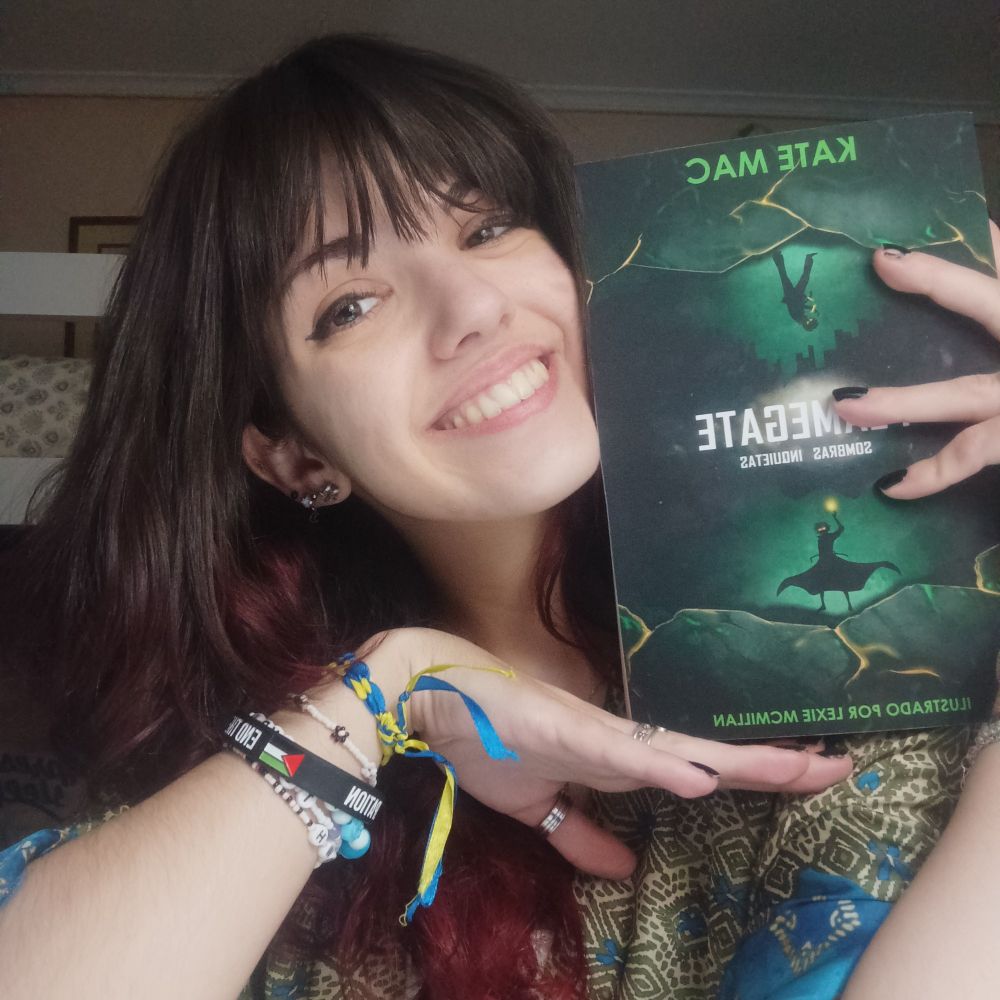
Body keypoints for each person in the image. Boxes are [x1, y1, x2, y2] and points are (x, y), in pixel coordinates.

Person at [0, 34, 992, 1000]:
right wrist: (395, 686)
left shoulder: (870, 637)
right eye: (349, 304)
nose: (469, 305)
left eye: (485, 228)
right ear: (293, 449)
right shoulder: (262, 788)